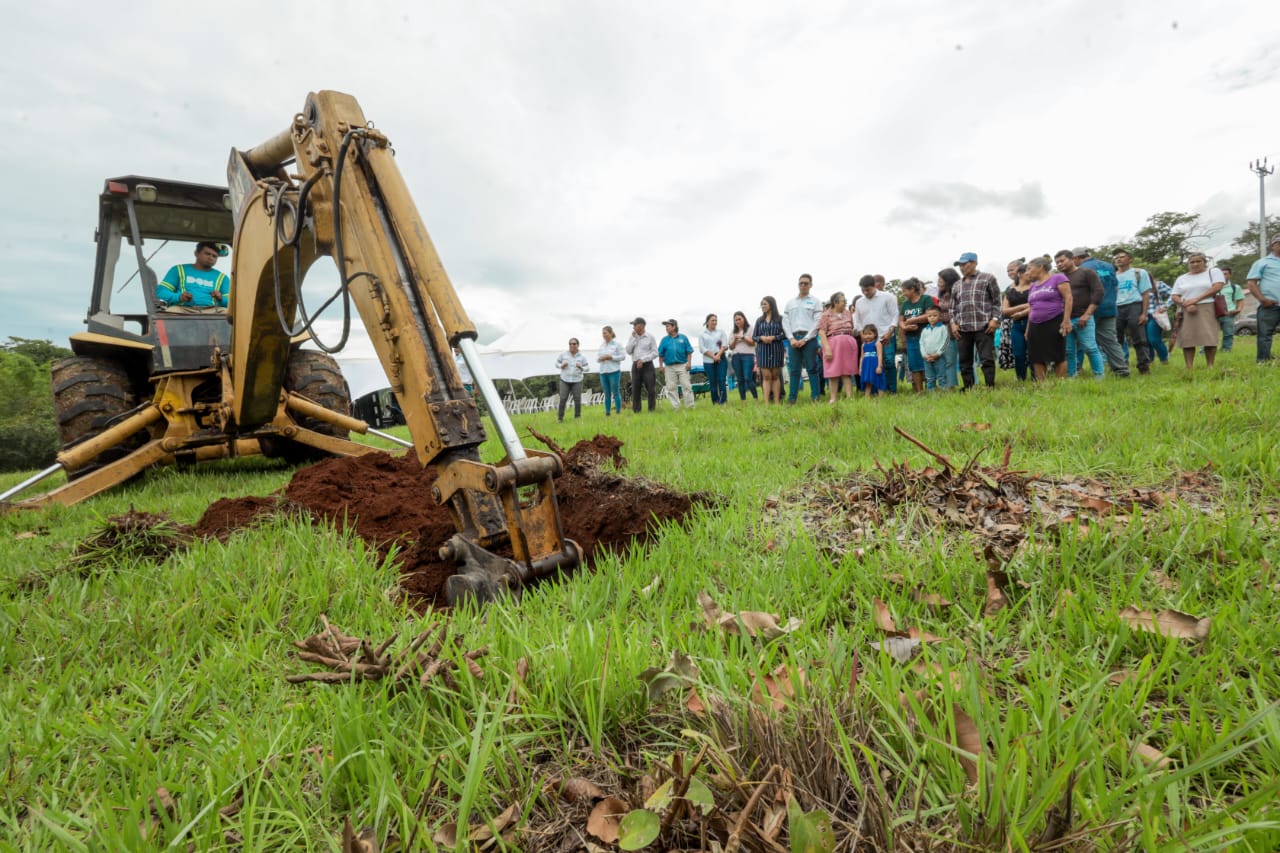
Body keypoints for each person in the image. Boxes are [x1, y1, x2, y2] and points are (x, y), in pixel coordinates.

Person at [949, 252, 1001, 389]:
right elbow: (952, 308)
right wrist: (953, 324)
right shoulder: (956, 285)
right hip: (962, 328)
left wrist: (995, 319)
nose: (961, 267)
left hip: (983, 326)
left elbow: (997, 301)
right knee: (964, 360)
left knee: (986, 359)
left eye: (964, 264)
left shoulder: (987, 278)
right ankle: (968, 387)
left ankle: (990, 386)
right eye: (959, 265)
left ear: (974, 263)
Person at [1053, 249, 1105, 379]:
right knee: (1069, 351)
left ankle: (1099, 377)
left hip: (1083, 317)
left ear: (1072, 259)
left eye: (1062, 260)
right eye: (1057, 262)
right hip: (1065, 320)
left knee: (1090, 348)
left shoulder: (1086, 272)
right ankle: (1072, 376)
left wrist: (1087, 314)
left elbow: (1098, 293)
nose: (1059, 264)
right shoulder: (1059, 278)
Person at [1170, 253, 1226, 371]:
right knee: (1187, 339)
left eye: (1198, 261)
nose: (1195, 264)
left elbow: (1217, 286)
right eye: (1192, 262)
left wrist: (1197, 299)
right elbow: (1174, 295)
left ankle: (1210, 365)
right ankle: (1189, 367)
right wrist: (1185, 304)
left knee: (1209, 338)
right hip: (1186, 309)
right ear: (1188, 264)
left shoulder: (1213, 272)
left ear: (1204, 262)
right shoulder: (1182, 278)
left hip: (1207, 307)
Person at [1077, 248, 1127, 376]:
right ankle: (1121, 369)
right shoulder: (1109, 266)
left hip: (1089, 309)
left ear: (1076, 258)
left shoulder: (1082, 269)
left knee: (1079, 340)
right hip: (1109, 307)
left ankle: (1076, 370)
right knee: (1110, 340)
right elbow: (1115, 285)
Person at [1024, 256, 1074, 381]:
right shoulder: (1033, 286)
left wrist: (1066, 320)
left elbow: (1068, 298)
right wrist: (1028, 329)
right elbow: (1032, 307)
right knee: (1036, 357)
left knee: (1058, 355)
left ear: (1040, 267)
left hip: (1054, 320)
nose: (1027, 272)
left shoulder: (1058, 278)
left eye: (1029, 268)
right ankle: (1042, 385)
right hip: (1035, 324)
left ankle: (1060, 384)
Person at [852, 274, 899, 391]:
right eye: (862, 290)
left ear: (874, 286)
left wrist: (890, 331)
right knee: (872, 364)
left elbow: (895, 315)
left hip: (885, 335)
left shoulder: (887, 297)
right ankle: (874, 390)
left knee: (888, 362)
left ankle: (891, 389)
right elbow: (857, 321)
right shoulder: (859, 302)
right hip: (869, 339)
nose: (865, 292)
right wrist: (861, 333)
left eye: (867, 289)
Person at [783, 274, 823, 403]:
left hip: (809, 338)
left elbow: (817, 322)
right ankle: (792, 398)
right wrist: (791, 339)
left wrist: (805, 339)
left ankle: (815, 397)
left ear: (811, 285)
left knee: (812, 368)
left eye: (806, 283)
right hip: (793, 338)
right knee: (794, 370)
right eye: (801, 283)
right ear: (798, 284)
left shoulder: (816, 302)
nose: (803, 285)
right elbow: (786, 322)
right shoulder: (790, 303)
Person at [1111, 250, 1153, 374]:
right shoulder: (1113, 275)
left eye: (1122, 257)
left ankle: (1144, 366)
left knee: (1139, 338)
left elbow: (1145, 294)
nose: (1118, 259)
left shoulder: (1139, 273)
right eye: (1116, 257)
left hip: (1134, 305)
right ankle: (1119, 367)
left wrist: (1144, 313)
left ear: (1130, 259)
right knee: (1116, 338)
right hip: (1117, 307)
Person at [156, 241, 230, 308]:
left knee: (230, 317)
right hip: (181, 310)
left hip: (213, 312)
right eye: (207, 254)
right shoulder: (178, 270)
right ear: (196, 253)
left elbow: (232, 303)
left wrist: (221, 298)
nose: (211, 258)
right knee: (168, 314)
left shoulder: (223, 278)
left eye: (214, 256)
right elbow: (161, 291)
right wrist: (179, 297)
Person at [818, 291, 858, 402]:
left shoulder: (848, 313)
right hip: (833, 342)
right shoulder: (826, 314)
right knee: (833, 372)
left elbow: (853, 327)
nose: (845, 303)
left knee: (847, 371)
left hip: (848, 341)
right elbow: (821, 332)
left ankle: (850, 398)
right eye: (843, 301)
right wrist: (827, 348)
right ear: (835, 302)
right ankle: (833, 398)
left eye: (845, 301)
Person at [1245, 234, 1280, 363]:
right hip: (1270, 305)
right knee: (1265, 334)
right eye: (1279, 243)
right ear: (1273, 245)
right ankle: (1263, 361)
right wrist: (1262, 299)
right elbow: (1251, 283)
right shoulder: (1262, 262)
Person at [898, 278, 935, 392]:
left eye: (904, 291)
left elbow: (930, 315)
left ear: (912, 289)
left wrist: (912, 320)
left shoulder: (926, 299)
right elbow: (901, 320)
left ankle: (931, 389)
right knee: (914, 366)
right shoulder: (905, 304)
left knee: (928, 363)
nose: (903, 293)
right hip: (911, 338)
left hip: (926, 336)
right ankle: (919, 391)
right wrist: (905, 326)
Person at [1001, 260, 1031, 381]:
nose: (1030, 273)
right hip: (1016, 325)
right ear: (1020, 274)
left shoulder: (1036, 287)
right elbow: (1005, 311)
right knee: (1018, 354)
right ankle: (1021, 380)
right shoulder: (1010, 290)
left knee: (1034, 354)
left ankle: (1037, 378)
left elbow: (1038, 305)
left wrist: (1021, 312)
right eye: (1027, 271)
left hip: (1033, 323)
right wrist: (1024, 306)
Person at [753, 297, 786, 404]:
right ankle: (767, 402)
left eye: (765, 304)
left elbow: (785, 334)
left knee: (775, 376)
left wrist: (774, 337)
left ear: (771, 305)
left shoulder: (780, 319)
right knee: (766, 376)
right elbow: (754, 337)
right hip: (763, 350)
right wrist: (761, 338)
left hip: (776, 349)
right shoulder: (759, 320)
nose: (763, 306)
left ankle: (777, 402)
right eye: (762, 304)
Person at [657, 319, 695, 409]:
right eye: (666, 327)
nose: (666, 328)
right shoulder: (664, 340)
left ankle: (690, 407)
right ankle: (676, 407)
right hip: (669, 367)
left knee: (686, 386)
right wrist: (661, 366)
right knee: (671, 387)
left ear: (674, 326)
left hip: (682, 365)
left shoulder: (683, 338)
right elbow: (661, 354)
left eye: (668, 326)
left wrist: (689, 363)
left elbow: (689, 351)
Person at [934, 268, 961, 389]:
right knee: (946, 360)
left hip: (956, 328)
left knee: (960, 360)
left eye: (941, 279)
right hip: (944, 330)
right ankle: (949, 386)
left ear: (949, 280)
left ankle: (969, 385)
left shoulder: (956, 293)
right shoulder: (941, 294)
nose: (938, 282)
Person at [626, 317, 659, 413]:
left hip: (647, 366)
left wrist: (643, 360)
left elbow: (655, 353)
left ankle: (651, 410)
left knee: (651, 389)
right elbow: (628, 351)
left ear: (641, 326)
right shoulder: (632, 337)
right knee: (635, 389)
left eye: (634, 325)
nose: (633, 327)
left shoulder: (650, 337)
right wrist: (634, 339)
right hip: (635, 365)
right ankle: (637, 411)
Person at [554, 338, 590, 422]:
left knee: (577, 399)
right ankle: (560, 418)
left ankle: (577, 417)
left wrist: (581, 367)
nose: (572, 345)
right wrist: (561, 366)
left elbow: (587, 368)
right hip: (564, 380)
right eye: (570, 344)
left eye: (574, 344)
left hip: (577, 380)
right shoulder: (563, 354)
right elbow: (556, 363)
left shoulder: (582, 356)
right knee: (563, 398)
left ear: (578, 345)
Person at [698, 314, 730, 405]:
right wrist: (713, 357)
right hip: (708, 360)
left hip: (721, 358)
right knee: (713, 382)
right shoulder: (702, 334)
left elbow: (725, 345)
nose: (715, 322)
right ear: (707, 322)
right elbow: (702, 348)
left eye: (716, 320)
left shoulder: (721, 332)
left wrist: (718, 355)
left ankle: (723, 401)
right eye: (712, 320)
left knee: (721, 380)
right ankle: (715, 401)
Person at [728, 311, 758, 401]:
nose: (737, 321)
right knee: (740, 380)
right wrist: (735, 339)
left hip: (748, 356)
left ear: (744, 318)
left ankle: (755, 398)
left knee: (748, 378)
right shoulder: (733, 331)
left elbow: (753, 343)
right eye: (736, 320)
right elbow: (731, 347)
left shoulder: (750, 328)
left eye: (739, 319)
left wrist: (743, 337)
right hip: (736, 356)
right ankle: (743, 400)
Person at [919, 306, 950, 391]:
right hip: (927, 359)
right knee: (929, 378)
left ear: (940, 316)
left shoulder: (943, 328)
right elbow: (921, 343)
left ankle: (944, 395)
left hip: (939, 358)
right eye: (929, 316)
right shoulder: (925, 330)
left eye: (934, 315)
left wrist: (938, 353)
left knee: (942, 377)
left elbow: (946, 341)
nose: (932, 318)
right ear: (927, 317)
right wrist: (925, 355)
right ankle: (931, 395)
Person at [597, 325, 625, 416]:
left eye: (605, 333)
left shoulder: (618, 344)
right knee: (606, 393)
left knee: (615, 392)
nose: (603, 335)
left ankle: (618, 411)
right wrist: (601, 358)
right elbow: (597, 359)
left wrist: (611, 357)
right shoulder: (601, 345)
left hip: (614, 371)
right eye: (603, 333)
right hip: (603, 372)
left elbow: (623, 356)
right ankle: (607, 412)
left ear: (611, 333)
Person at [1217, 265, 1246, 352]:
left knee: (1228, 334)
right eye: (1221, 274)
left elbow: (1240, 300)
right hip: (1213, 313)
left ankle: (1226, 350)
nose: (1223, 276)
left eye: (1225, 274)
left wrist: (1238, 309)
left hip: (1229, 313)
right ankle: (1204, 352)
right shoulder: (1212, 287)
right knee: (1210, 334)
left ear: (1230, 275)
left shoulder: (1235, 287)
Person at [1146, 278, 1173, 365]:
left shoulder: (1158, 284)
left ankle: (1164, 359)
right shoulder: (1135, 286)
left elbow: (1174, 294)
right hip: (1139, 315)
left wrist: (1165, 306)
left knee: (1154, 339)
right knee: (1145, 341)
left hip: (1155, 315)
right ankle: (1150, 361)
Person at [858, 325, 886, 397]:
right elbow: (862, 357)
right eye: (865, 334)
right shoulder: (863, 345)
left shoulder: (877, 343)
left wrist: (879, 366)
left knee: (878, 379)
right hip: (866, 365)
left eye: (870, 334)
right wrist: (860, 368)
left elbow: (880, 355)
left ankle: (881, 397)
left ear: (875, 334)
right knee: (868, 380)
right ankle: (866, 397)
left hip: (874, 364)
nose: (867, 336)